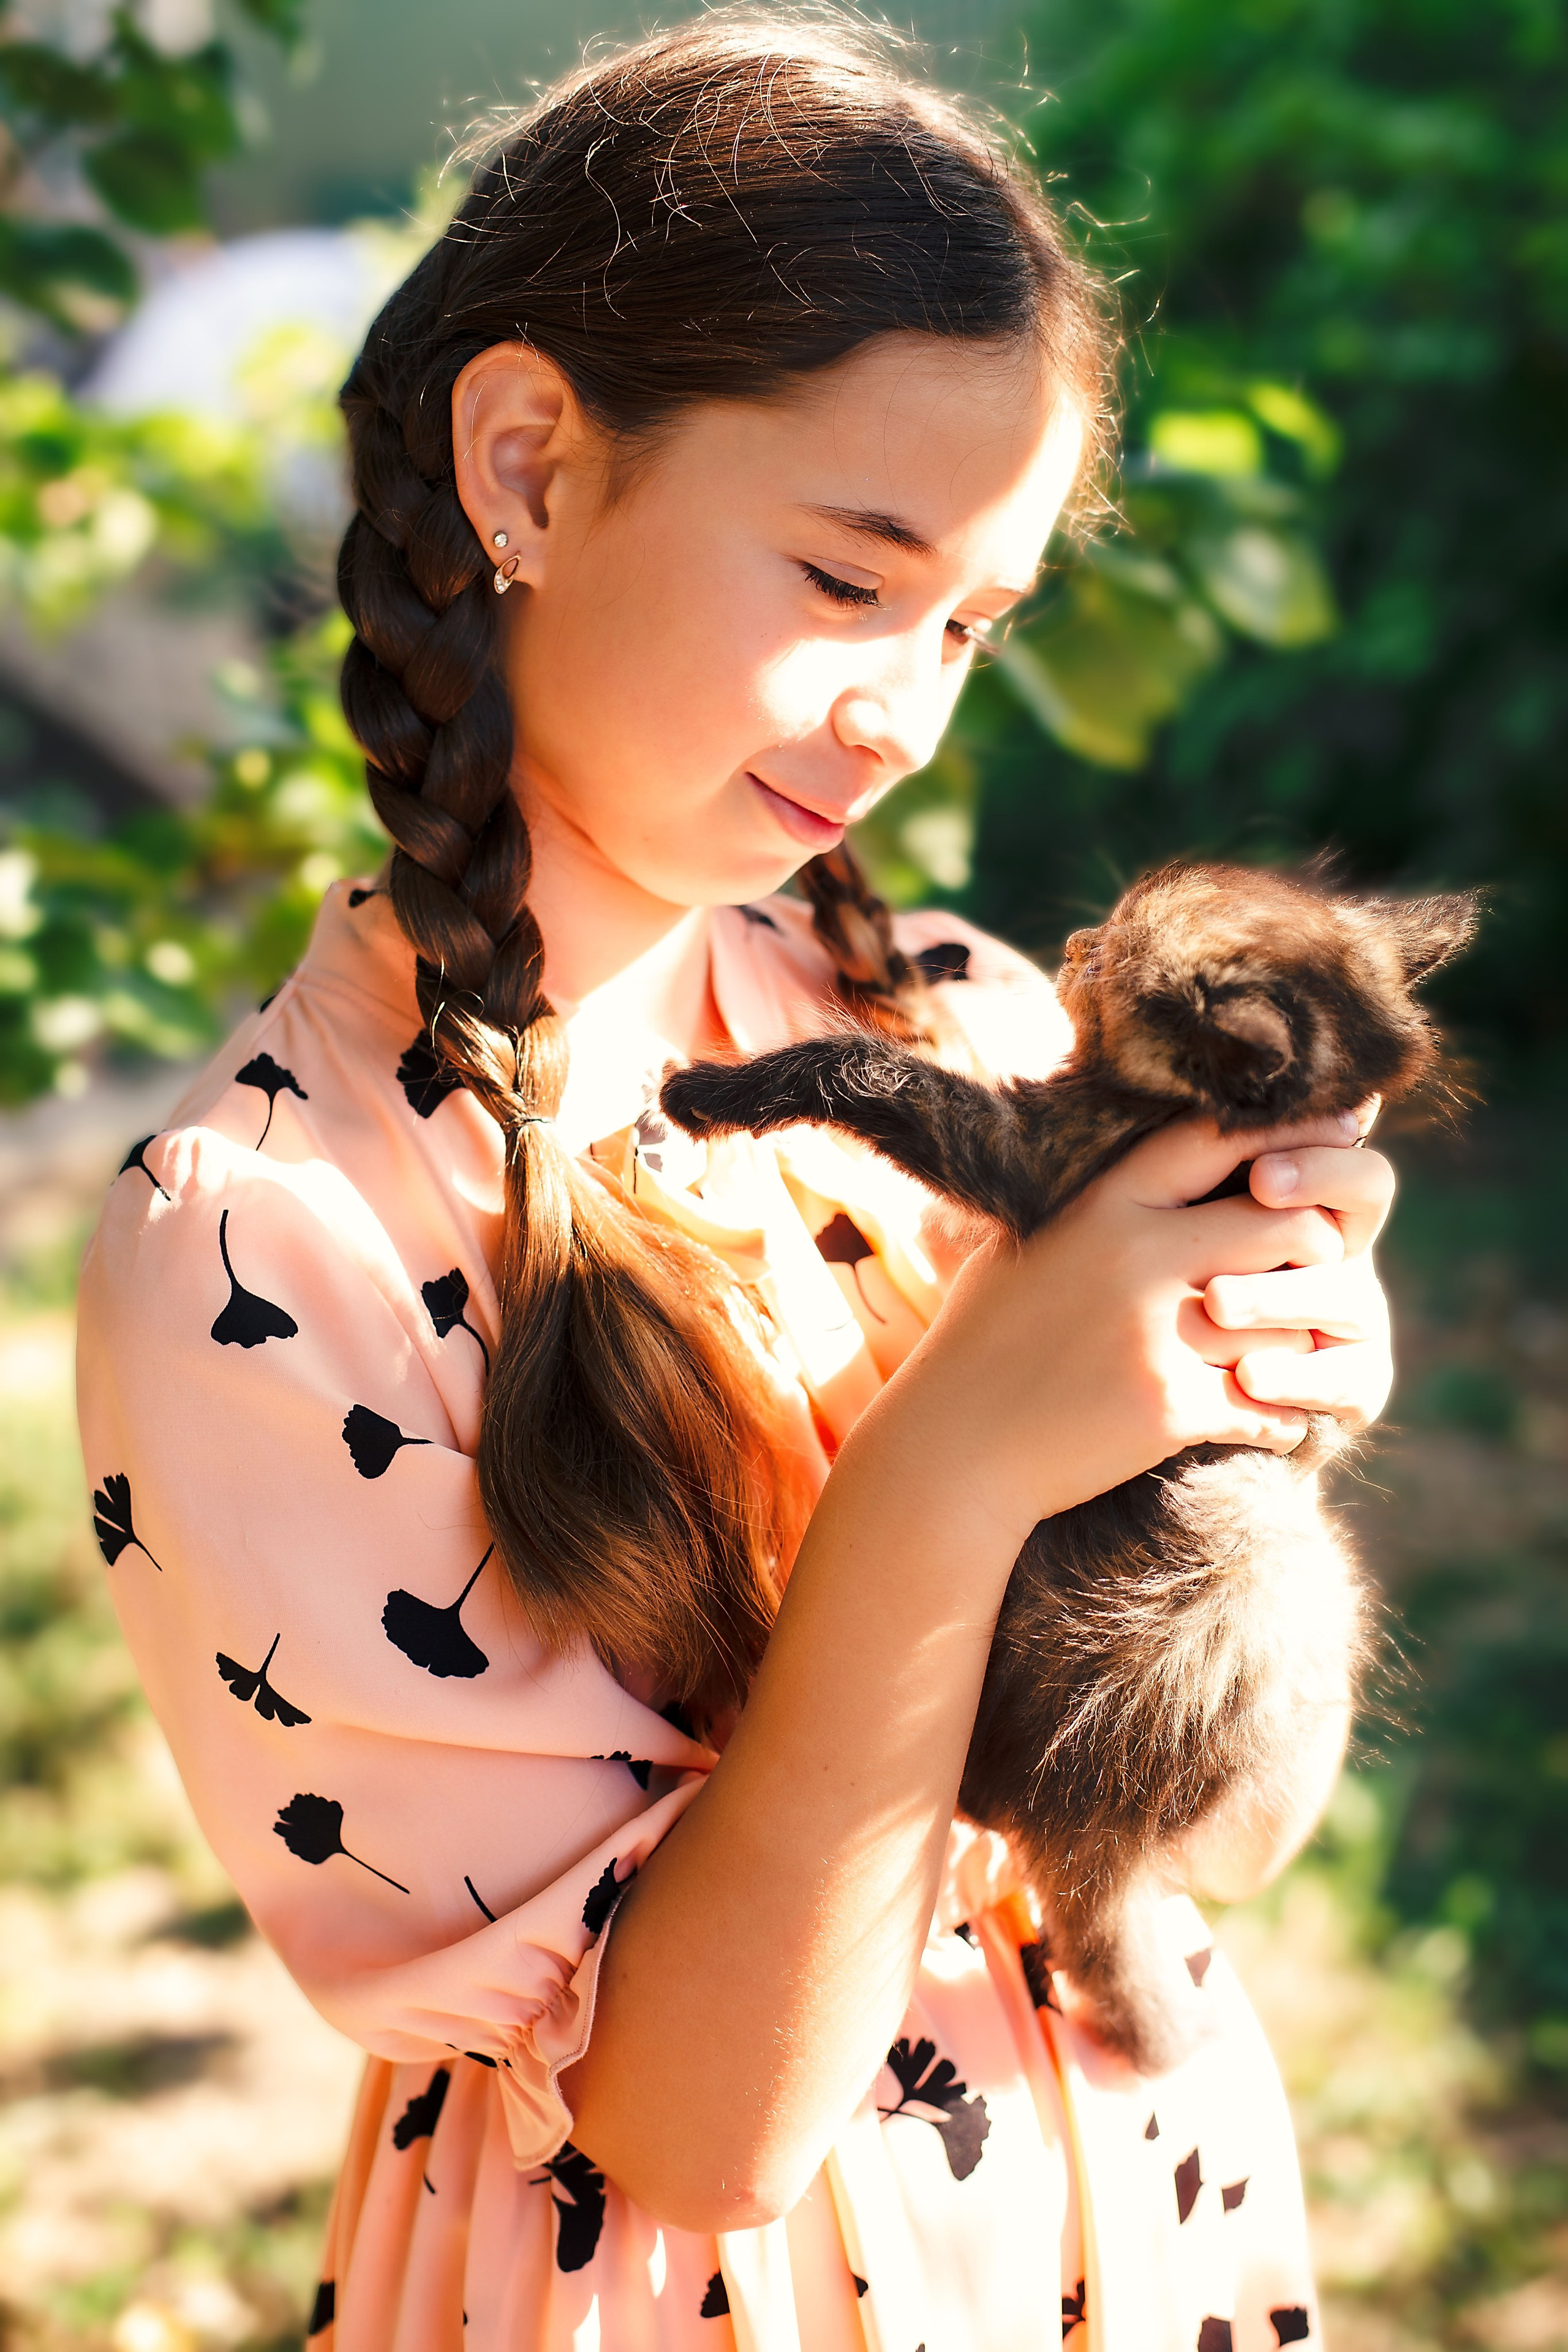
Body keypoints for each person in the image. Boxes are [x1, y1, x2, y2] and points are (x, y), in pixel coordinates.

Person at [77, 17, 1395, 2348]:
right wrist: (963, 1462)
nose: (909, 713)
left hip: (1142, 2240)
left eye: (972, 624)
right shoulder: (277, 1243)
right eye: (846, 578)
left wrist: (1254, 1465)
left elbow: (1217, 1845)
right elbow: (694, 2135)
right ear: (529, 468)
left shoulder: (976, 1028)